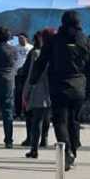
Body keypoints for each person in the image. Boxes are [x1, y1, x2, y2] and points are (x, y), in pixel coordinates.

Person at [29, 10, 90, 170]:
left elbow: (41, 62)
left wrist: (33, 80)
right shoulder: (86, 41)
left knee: (60, 121)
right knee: (74, 120)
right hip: (79, 87)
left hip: (59, 86)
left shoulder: (54, 40)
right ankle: (73, 150)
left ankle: (67, 151)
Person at [22, 29, 53, 158]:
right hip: (53, 89)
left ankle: (34, 147)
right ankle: (44, 139)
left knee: (36, 120)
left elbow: (31, 74)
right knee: (47, 117)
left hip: (39, 88)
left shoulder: (36, 53)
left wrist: (26, 91)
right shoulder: (57, 52)